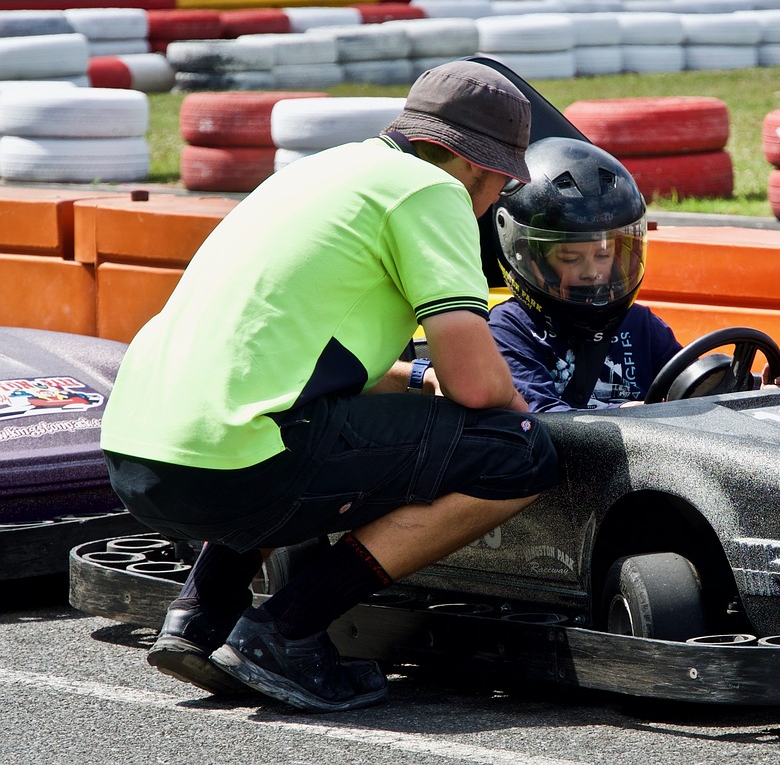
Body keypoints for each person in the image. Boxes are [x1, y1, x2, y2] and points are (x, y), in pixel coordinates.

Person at [99, 60, 560, 713]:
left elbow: (300, 366)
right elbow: (480, 389)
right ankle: (286, 631)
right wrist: (537, 421)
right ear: (477, 165)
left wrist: (417, 382)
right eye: (501, 185)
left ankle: (199, 619)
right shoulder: (434, 192)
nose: (494, 203)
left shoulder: (322, 172)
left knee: (296, 424)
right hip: (239, 461)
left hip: (137, 451)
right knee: (519, 451)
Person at [484, 136, 780, 413]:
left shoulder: (641, 326)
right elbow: (540, 420)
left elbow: (691, 393)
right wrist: (630, 416)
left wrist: (756, 400)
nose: (592, 272)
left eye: (603, 255)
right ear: (527, 256)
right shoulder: (508, 331)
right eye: (571, 257)